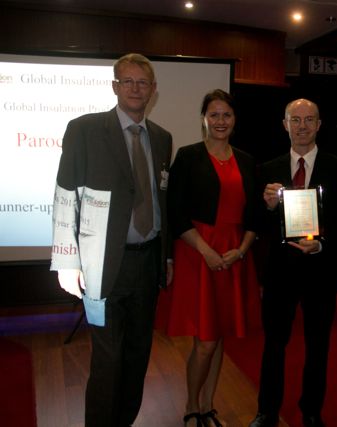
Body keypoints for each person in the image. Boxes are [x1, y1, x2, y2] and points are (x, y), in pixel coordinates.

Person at [50, 53, 173, 427]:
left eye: (143, 82)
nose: (136, 89)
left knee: (138, 355)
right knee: (107, 359)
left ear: (153, 90)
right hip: (101, 266)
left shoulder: (162, 138)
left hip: (147, 263)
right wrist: (67, 260)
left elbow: (161, 198)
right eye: (128, 81)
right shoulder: (85, 129)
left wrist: (166, 258)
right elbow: (65, 192)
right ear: (115, 86)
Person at [155, 89, 260, 427]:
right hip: (199, 253)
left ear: (235, 119)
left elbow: (255, 214)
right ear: (204, 118)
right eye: (214, 114)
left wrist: (241, 250)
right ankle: (191, 406)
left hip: (234, 254)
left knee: (219, 335)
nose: (220, 121)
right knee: (205, 341)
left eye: (226, 114)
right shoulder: (188, 156)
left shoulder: (246, 160)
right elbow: (176, 213)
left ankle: (208, 406)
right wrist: (207, 251)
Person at [248, 98, 337, 427]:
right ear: (285, 125)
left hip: (321, 271)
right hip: (280, 273)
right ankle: (267, 411)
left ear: (319, 125)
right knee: (273, 346)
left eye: (309, 120)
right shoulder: (268, 169)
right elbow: (255, 223)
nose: (302, 126)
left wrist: (322, 244)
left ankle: (311, 411)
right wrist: (267, 206)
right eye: (296, 120)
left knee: (318, 347)